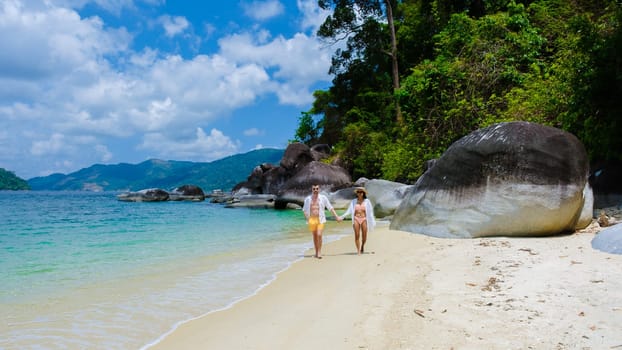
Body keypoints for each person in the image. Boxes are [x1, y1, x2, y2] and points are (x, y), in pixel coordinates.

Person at [302, 184, 342, 259]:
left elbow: (330, 207)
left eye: (317, 188)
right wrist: (308, 219)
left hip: (320, 219)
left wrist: (336, 217)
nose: (315, 190)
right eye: (314, 189)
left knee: (319, 235)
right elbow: (304, 210)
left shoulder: (323, 198)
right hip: (312, 220)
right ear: (312, 189)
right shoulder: (308, 199)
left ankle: (319, 252)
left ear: (319, 189)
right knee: (314, 236)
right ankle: (316, 252)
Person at [339, 187, 376, 255]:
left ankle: (362, 246)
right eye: (358, 192)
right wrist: (342, 217)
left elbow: (370, 212)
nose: (359, 193)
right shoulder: (353, 201)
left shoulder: (367, 201)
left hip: (364, 219)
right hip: (356, 218)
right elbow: (349, 211)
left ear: (363, 193)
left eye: (361, 192)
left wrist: (372, 221)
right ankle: (358, 250)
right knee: (357, 235)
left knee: (364, 237)